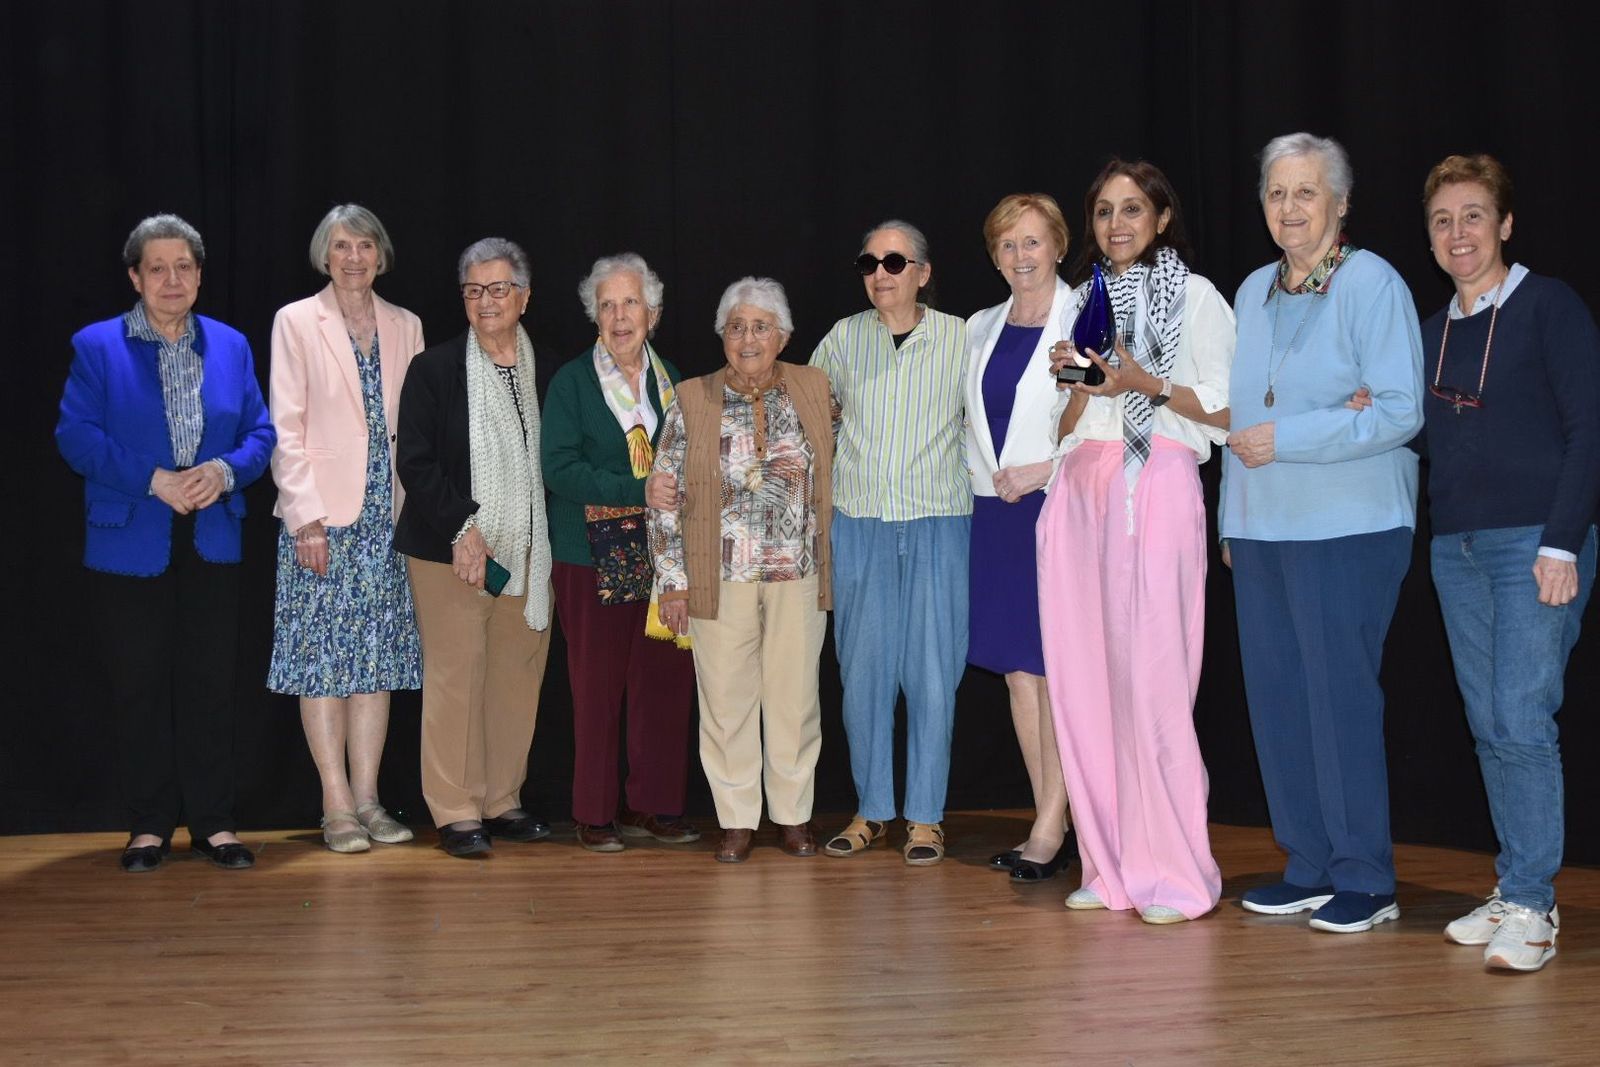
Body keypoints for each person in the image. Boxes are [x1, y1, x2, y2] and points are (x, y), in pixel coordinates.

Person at [1221, 133, 1424, 933]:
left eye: (1307, 193)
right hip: (1264, 527)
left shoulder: (1373, 284)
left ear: (1340, 205)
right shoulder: (1250, 292)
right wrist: (1230, 518)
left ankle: (1366, 876)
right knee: (1277, 702)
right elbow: (1241, 416)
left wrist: (1293, 438)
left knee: (1338, 700)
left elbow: (1401, 408)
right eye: (1277, 193)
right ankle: (1307, 863)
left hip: (1350, 523)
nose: (1290, 208)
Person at [1416, 154, 1600, 971]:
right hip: (1455, 548)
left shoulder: (1549, 306)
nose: (1458, 233)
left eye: (1473, 216)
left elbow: (1590, 429)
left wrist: (1563, 540)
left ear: (1506, 223)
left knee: (1523, 718)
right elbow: (1432, 431)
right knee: (1490, 724)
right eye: (1443, 220)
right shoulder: (1431, 331)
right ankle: (1513, 883)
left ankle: (1533, 902)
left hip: (1536, 543)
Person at [1039, 160, 1234, 922]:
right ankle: (1110, 865)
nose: (1116, 224)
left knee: (1154, 684)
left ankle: (1177, 876)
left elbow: (1226, 409)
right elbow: (1061, 422)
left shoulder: (1197, 297)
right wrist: (1074, 383)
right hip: (1082, 488)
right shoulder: (1081, 301)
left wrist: (1140, 383)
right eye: (1103, 211)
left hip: (1156, 481)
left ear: (1160, 218)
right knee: (1086, 685)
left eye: (1132, 209)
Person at [56, 213, 275, 872]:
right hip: (132, 539)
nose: (173, 279)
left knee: (211, 684)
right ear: (135, 277)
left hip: (212, 535)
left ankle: (213, 822)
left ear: (200, 276)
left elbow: (262, 434)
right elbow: (75, 437)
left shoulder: (233, 346)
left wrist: (225, 470)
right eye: (158, 268)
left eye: (185, 267)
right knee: (140, 685)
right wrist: (153, 479)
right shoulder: (96, 346)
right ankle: (149, 824)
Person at [645, 278, 835, 862]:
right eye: (736, 327)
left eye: (760, 326)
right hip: (718, 574)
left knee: (794, 699)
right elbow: (663, 495)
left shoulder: (815, 388)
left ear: (782, 335)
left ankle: (794, 815)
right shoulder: (691, 398)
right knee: (726, 702)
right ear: (722, 336)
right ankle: (735, 819)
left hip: (796, 572)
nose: (748, 338)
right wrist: (672, 579)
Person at [266, 205, 425, 853]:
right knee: (322, 663)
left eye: (364, 245)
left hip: (387, 522)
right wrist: (303, 516)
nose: (353, 256)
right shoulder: (296, 322)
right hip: (321, 523)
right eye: (341, 246)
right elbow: (285, 424)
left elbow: (413, 427)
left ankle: (370, 799)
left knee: (375, 664)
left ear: (381, 255)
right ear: (324, 256)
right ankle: (335, 804)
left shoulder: (405, 324)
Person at [812, 221, 970, 866]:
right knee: (864, 676)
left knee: (933, 677)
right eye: (870, 262)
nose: (882, 272)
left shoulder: (962, 338)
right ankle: (873, 809)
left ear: (923, 273)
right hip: (862, 526)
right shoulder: (843, 339)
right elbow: (809, 411)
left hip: (938, 523)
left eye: (896, 261)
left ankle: (926, 818)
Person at [393, 237, 554, 859]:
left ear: (525, 297)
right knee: (458, 680)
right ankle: (456, 808)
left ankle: (501, 799)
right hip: (449, 550)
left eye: (499, 289)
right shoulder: (434, 369)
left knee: (516, 677)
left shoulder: (552, 370)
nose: (486, 302)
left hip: (530, 553)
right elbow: (415, 463)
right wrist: (464, 528)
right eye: (474, 290)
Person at [542, 254, 698, 853]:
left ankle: (654, 805)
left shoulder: (673, 381)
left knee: (662, 682)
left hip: (660, 555)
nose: (619, 315)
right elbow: (558, 469)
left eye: (630, 303)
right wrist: (636, 490)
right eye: (606, 305)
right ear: (594, 316)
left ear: (652, 313)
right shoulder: (572, 383)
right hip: (589, 554)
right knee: (598, 687)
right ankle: (595, 812)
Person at [964, 193, 1076, 882]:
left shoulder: (1087, 312)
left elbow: (1110, 415)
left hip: (1057, 506)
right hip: (994, 515)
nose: (1020, 256)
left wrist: (1046, 469)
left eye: (1032, 242)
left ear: (1059, 246)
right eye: (1007, 244)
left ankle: (1051, 825)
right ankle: (1050, 816)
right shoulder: (980, 325)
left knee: (1058, 673)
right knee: (1018, 675)